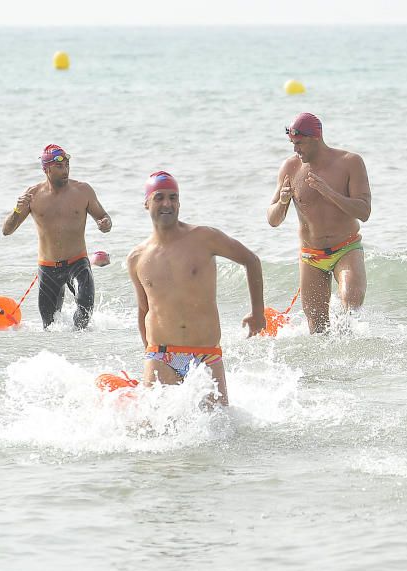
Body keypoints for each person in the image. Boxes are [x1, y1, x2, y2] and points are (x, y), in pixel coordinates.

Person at [127, 171, 266, 406]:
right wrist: (148, 354)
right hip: (161, 354)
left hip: (205, 353)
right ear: (147, 203)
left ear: (179, 202)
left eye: (173, 197)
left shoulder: (204, 238)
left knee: (220, 429)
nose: (167, 204)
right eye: (159, 197)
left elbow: (251, 261)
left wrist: (258, 313)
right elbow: (144, 309)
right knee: (154, 431)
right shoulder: (137, 258)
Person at [267, 112, 372, 333]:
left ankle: (351, 362)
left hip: (346, 248)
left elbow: (364, 212)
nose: (296, 150)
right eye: (292, 144)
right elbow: (273, 219)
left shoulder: (350, 163)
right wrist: (283, 201)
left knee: (351, 307)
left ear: (316, 138)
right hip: (311, 256)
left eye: (300, 143)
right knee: (317, 329)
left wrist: (329, 192)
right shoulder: (290, 168)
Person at [2, 144, 112, 329]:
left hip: (78, 264)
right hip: (48, 269)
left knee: (84, 316)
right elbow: (7, 230)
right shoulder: (32, 195)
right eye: (60, 166)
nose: (66, 170)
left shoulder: (83, 191)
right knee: (49, 327)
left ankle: (83, 354)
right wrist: (16, 210)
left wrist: (105, 224)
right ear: (46, 169)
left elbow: (104, 218)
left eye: (67, 165)